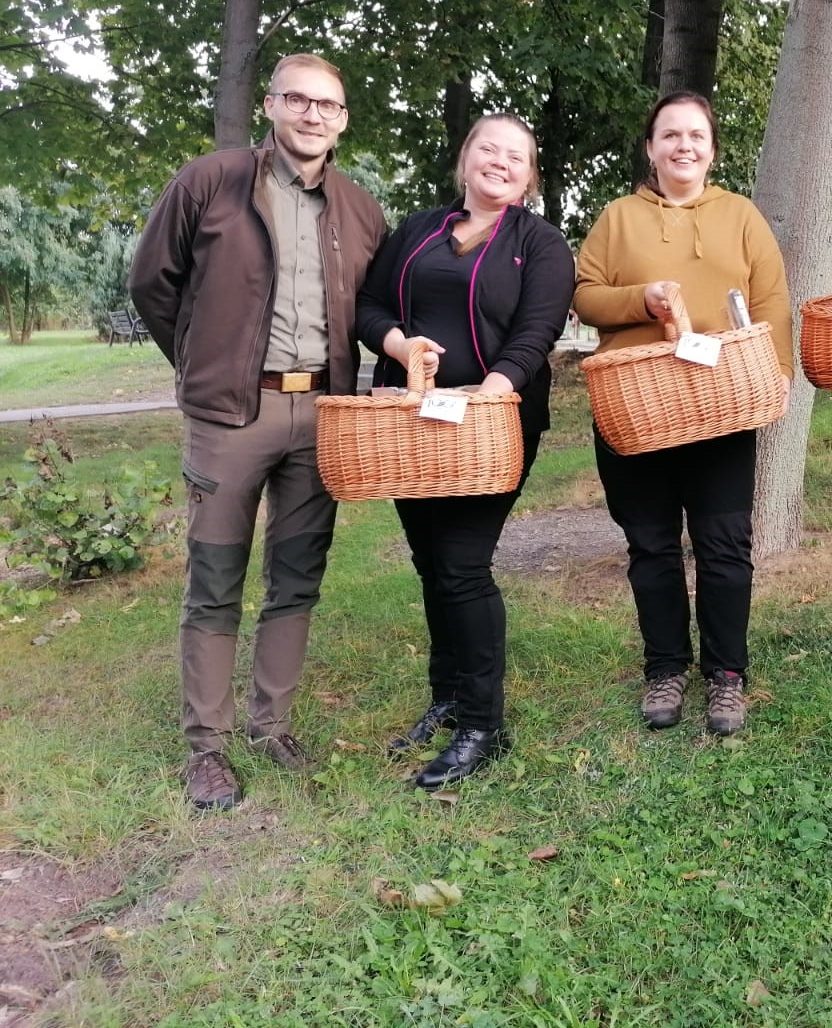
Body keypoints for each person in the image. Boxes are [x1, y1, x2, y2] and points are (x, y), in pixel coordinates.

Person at [130, 54, 387, 811]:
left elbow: (372, 309)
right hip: (230, 418)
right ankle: (205, 748)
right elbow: (153, 283)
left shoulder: (359, 209)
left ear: (342, 121)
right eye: (298, 100)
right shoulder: (209, 183)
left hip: (323, 416)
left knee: (297, 577)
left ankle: (270, 726)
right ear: (272, 105)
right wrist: (202, 362)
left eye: (328, 106)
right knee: (214, 583)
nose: (312, 115)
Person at [356, 114, 575, 789]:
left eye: (516, 156)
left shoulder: (539, 243)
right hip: (410, 421)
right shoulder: (418, 230)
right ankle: (447, 695)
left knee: (461, 563)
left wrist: (491, 390)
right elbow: (368, 306)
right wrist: (397, 344)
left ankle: (484, 723)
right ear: (465, 158)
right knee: (430, 562)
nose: (500, 162)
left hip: (492, 422)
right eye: (489, 148)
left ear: (530, 176)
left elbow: (538, 331)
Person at [574, 91, 793, 736]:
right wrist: (640, 299)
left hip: (720, 407)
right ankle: (665, 666)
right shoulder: (616, 219)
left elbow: (772, 300)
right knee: (652, 545)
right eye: (670, 135)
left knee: (726, 545)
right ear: (650, 148)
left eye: (696, 135)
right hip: (638, 409)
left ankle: (727, 675)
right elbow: (585, 296)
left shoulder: (742, 216)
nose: (683, 146)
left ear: (712, 149)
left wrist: (773, 377)